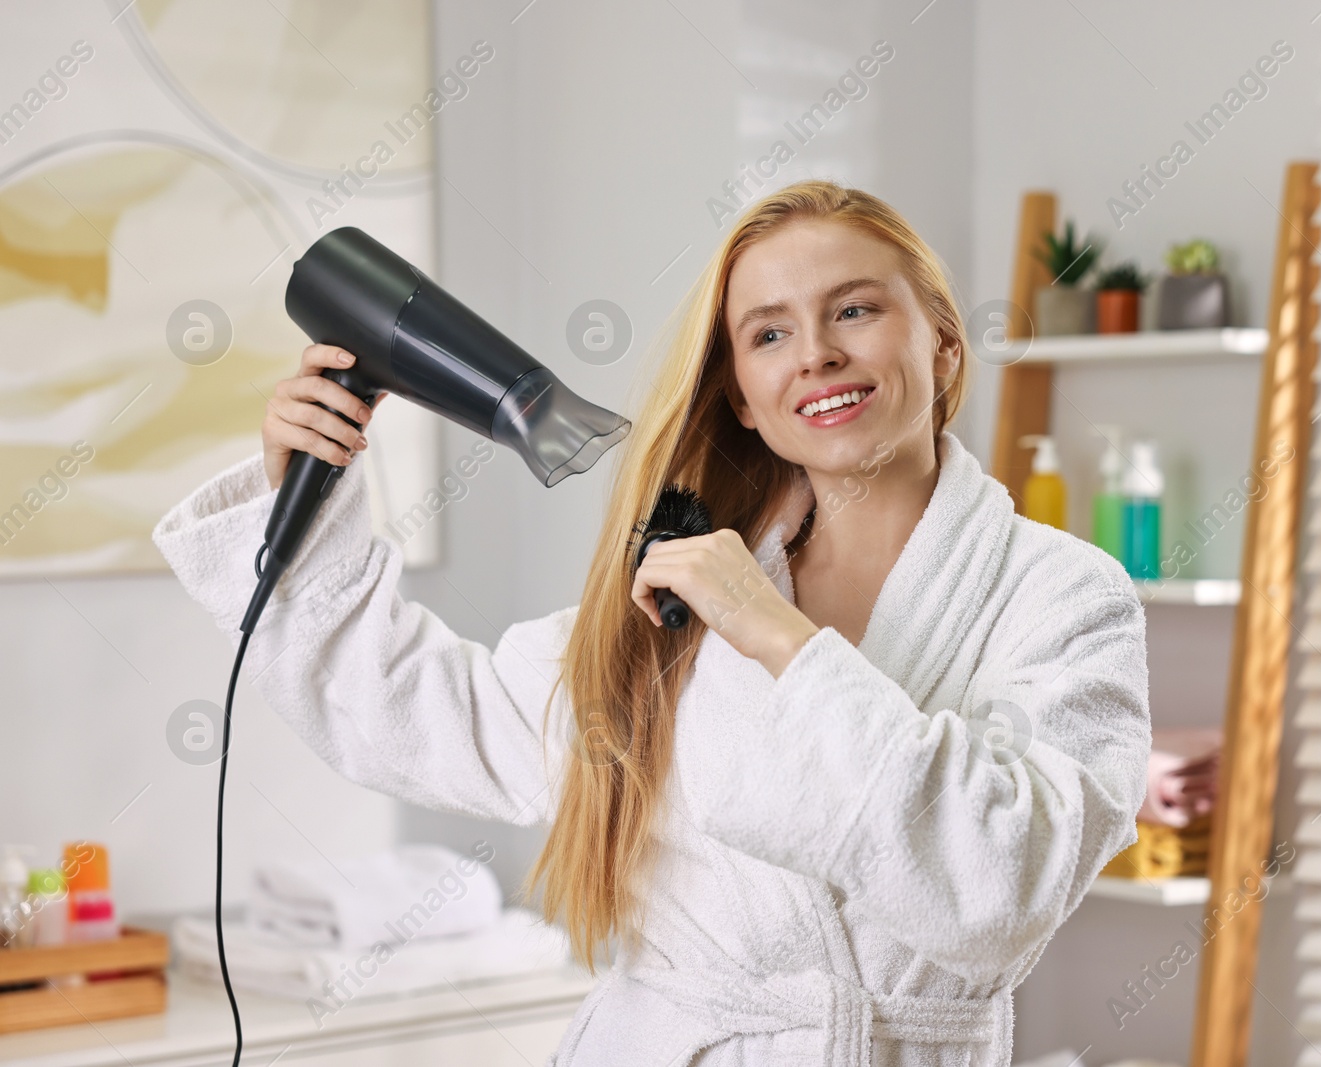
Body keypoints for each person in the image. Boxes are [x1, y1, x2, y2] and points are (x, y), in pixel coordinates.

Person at [153, 179, 1151, 1066]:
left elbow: (999, 885)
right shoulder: (675, 595)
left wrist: (774, 632)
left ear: (940, 343)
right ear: (747, 404)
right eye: (767, 332)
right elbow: (410, 714)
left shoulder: (1064, 596)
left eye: (854, 308)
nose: (816, 353)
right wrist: (309, 501)